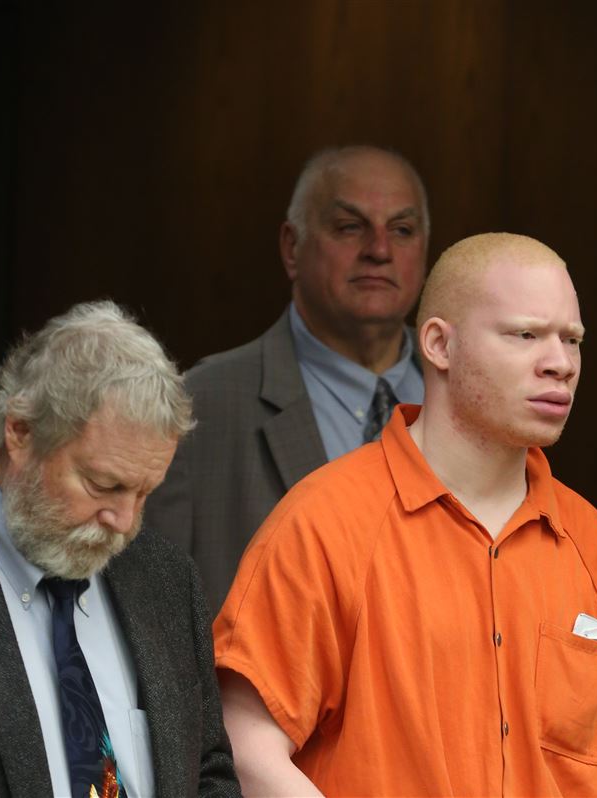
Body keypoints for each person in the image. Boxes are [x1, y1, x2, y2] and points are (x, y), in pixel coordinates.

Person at [214, 233, 597, 797]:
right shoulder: (325, 524)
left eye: (572, 340)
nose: (561, 364)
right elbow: (246, 744)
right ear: (440, 345)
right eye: (525, 335)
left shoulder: (595, 545)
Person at [0, 301, 241, 798]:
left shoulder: (166, 578)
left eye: (144, 493)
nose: (124, 523)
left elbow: (208, 772)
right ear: (20, 432)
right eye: (103, 485)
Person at [147, 144, 430, 613]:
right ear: (292, 248)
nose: (379, 251)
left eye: (401, 230)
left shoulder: (472, 393)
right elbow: (154, 615)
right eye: (349, 226)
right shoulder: (198, 406)